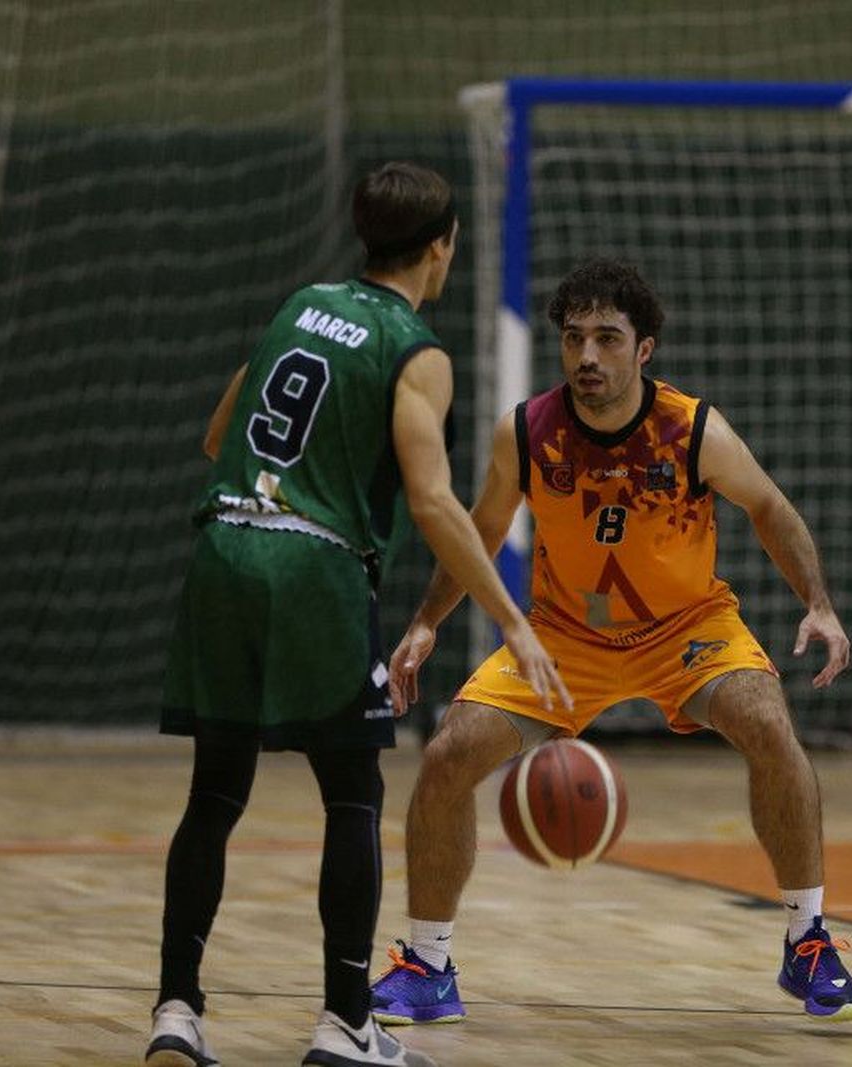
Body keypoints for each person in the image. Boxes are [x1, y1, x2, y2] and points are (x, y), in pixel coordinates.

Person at [145, 161, 570, 1067]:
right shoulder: (416, 350)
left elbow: (219, 437)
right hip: (312, 566)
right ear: (443, 245)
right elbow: (433, 501)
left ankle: (176, 1010)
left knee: (213, 794)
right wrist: (512, 618)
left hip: (224, 547)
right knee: (353, 794)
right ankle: (346, 1020)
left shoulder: (299, 307)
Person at [369, 258, 852, 1026]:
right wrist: (427, 619)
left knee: (770, 724)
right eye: (574, 338)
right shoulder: (526, 432)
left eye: (607, 338)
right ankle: (428, 966)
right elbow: (483, 529)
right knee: (446, 756)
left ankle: (809, 942)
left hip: (687, 630)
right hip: (565, 638)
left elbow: (769, 507)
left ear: (644, 348)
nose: (587, 356)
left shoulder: (693, 430)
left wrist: (819, 603)